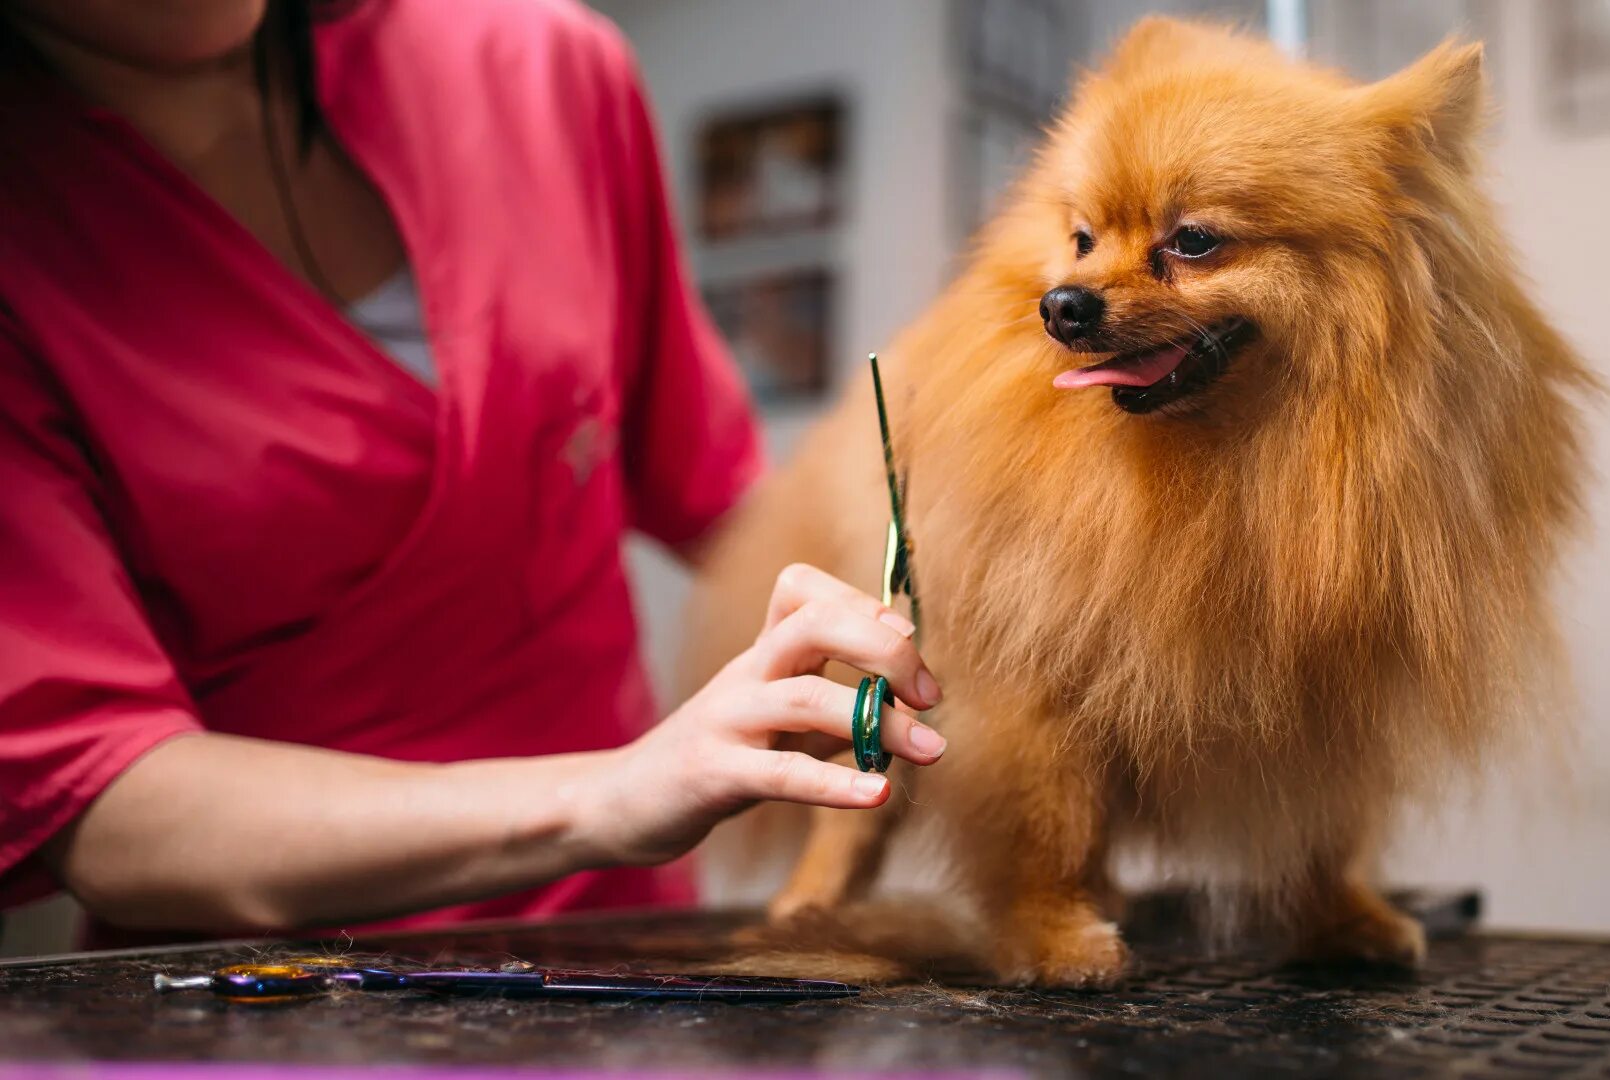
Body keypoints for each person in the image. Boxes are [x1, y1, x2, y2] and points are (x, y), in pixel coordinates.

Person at [0, 0, 946, 947]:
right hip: (255, 993)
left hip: (616, 957)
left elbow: (737, 512)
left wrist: (958, 570)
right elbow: (103, 798)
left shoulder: (545, 68)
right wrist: (614, 792)